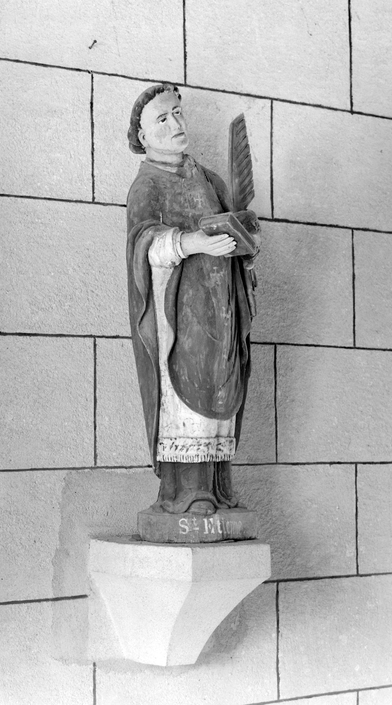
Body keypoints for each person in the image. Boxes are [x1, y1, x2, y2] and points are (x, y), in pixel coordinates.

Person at [126, 83, 259, 517]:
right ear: (144, 136)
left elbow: (239, 225)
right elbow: (144, 242)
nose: (175, 123)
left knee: (221, 390)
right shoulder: (147, 184)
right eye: (162, 119)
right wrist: (193, 242)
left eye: (178, 113)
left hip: (221, 304)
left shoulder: (210, 179)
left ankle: (217, 486)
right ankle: (185, 492)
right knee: (188, 394)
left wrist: (247, 241)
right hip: (180, 310)